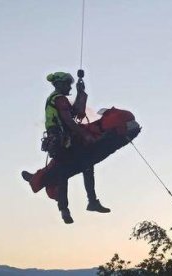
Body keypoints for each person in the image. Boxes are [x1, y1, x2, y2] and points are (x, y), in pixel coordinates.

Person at [22, 72, 110, 224]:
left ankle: (64, 209)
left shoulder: (56, 100)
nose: (69, 86)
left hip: (58, 142)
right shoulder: (59, 99)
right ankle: (91, 201)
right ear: (58, 84)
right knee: (86, 165)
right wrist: (85, 134)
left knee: (62, 173)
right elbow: (70, 121)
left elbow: (75, 113)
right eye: (67, 84)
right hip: (64, 141)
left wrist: (80, 93)